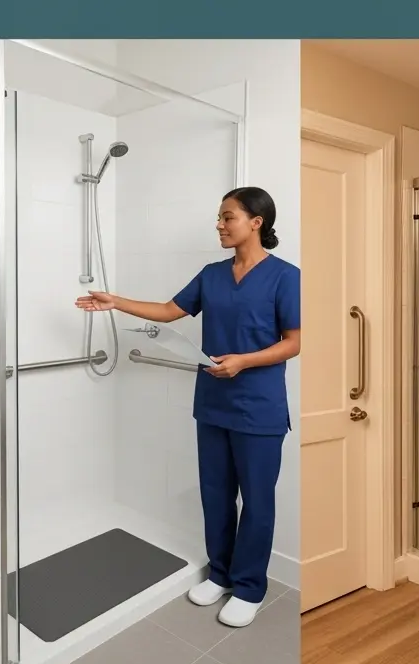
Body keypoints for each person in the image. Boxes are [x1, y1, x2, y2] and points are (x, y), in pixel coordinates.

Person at [76, 186, 301, 629]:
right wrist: (115, 301)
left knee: (257, 502)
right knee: (215, 494)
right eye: (219, 217)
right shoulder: (211, 275)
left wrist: (244, 362)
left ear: (256, 222)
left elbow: (295, 342)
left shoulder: (285, 277)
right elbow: (167, 310)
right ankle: (220, 574)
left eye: (227, 217)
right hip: (213, 403)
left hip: (259, 408)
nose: (219, 224)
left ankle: (250, 586)